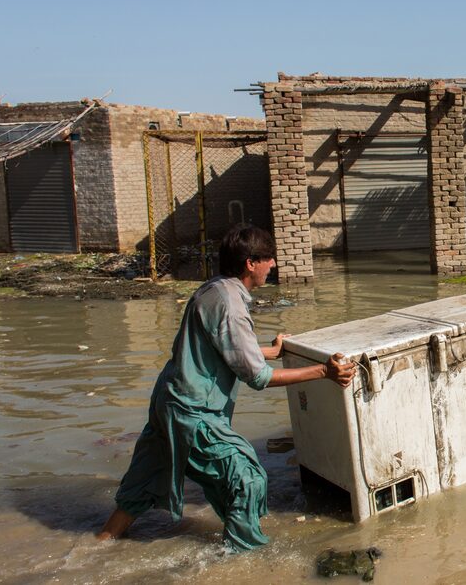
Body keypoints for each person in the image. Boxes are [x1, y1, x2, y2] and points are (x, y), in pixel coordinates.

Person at [97, 224, 356, 551]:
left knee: (144, 481)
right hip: (193, 411)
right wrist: (325, 371)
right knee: (248, 479)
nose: (273, 265)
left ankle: (100, 545)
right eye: (269, 259)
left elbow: (217, 345)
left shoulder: (214, 289)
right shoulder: (233, 306)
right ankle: (240, 559)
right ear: (251, 263)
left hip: (167, 402)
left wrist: (268, 351)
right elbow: (259, 379)